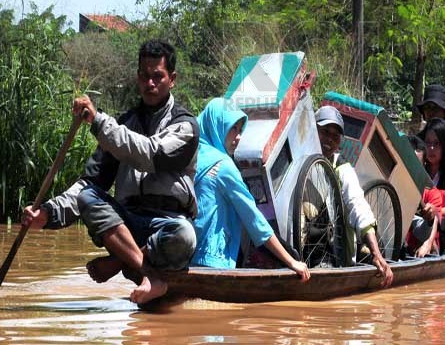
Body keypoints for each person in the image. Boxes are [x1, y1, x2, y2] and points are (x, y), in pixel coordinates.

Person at [22, 40, 198, 305]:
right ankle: (150, 275)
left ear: (171, 79)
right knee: (89, 197)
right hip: (129, 225)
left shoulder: (185, 126)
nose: (149, 83)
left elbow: (148, 154)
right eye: (144, 76)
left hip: (168, 225)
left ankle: (120, 260)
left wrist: (99, 122)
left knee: (185, 235)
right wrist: (47, 214)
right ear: (137, 78)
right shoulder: (123, 124)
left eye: (157, 77)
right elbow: (89, 184)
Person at [191, 98, 309, 281]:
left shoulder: (192, 157)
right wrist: (291, 262)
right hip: (213, 260)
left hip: (186, 256)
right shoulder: (224, 167)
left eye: (240, 130)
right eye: (232, 128)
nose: (238, 137)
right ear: (217, 125)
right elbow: (254, 219)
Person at [315, 106, 393, 287]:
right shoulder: (299, 158)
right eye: (325, 132)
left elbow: (358, 205)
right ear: (313, 130)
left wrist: (376, 253)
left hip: (332, 251)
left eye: (335, 137)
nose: (329, 140)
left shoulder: (342, 168)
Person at [407, 118, 445, 255]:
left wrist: (432, 211)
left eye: (437, 144)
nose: (431, 149)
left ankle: (430, 246)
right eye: (428, 143)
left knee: (437, 221)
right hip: (421, 226)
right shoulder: (418, 170)